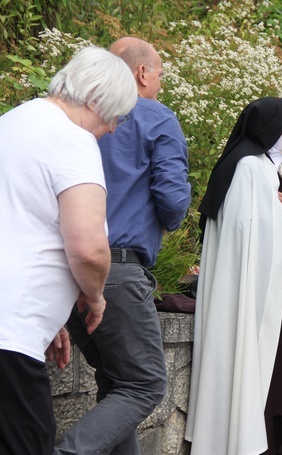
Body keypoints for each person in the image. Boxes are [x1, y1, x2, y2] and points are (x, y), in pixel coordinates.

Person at [54, 37, 192, 455]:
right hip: (116, 270)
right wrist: (169, 221)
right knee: (145, 384)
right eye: (161, 75)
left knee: (115, 383)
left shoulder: (72, 118)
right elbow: (172, 200)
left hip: (67, 270)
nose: (161, 84)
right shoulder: (158, 118)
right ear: (142, 73)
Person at [0, 46, 137, 455]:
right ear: (95, 97)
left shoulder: (11, 123)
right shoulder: (70, 139)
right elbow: (89, 248)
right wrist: (92, 297)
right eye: (114, 115)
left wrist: (49, 314)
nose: (113, 128)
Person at [186, 97, 282, 455]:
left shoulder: (272, 167)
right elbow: (245, 233)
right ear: (272, 130)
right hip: (250, 290)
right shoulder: (248, 167)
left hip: (275, 287)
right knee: (249, 362)